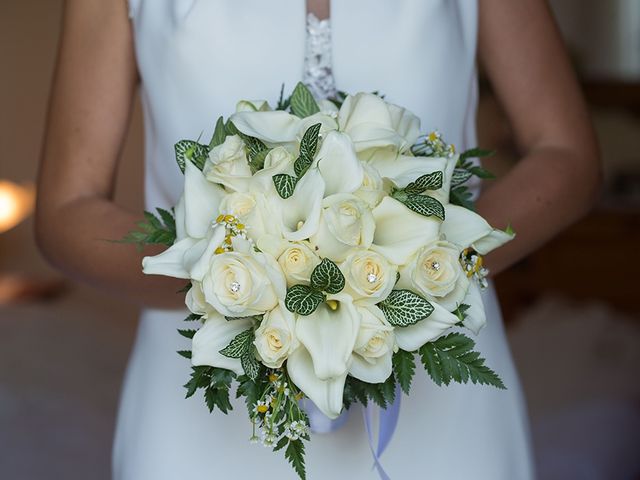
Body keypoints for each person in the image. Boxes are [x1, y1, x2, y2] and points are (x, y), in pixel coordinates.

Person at [35, 0, 600, 478]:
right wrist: (239, 291)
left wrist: (426, 276)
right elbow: (67, 209)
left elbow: (566, 153)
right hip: (197, 418)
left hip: (445, 416)